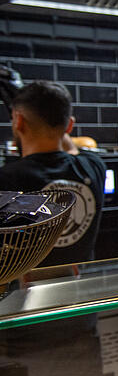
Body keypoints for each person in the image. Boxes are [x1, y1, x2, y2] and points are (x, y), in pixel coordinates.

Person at [0, 81, 106, 266]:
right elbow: (71, 148)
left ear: (18, 121)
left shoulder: (6, 180)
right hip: (82, 287)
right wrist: (58, 121)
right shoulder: (94, 166)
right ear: (70, 126)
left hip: (25, 291)